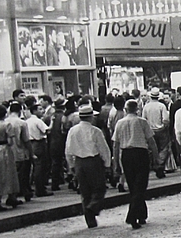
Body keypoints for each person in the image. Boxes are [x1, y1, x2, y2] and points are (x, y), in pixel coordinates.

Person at [112, 100, 159, 229]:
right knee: (141, 185)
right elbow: (151, 141)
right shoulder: (142, 122)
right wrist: (156, 157)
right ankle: (133, 215)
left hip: (126, 154)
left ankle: (141, 214)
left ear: (126, 110)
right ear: (137, 109)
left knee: (133, 186)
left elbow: (115, 144)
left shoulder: (120, 123)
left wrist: (115, 162)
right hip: (140, 153)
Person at [65, 104, 112, 228]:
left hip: (79, 161)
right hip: (93, 161)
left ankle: (89, 218)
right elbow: (104, 149)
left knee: (85, 191)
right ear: (91, 117)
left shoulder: (73, 131)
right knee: (99, 187)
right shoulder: (95, 131)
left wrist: (71, 165)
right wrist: (107, 164)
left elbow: (68, 150)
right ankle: (93, 207)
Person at [6, 102, 33, 202]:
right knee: (23, 174)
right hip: (20, 150)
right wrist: (31, 153)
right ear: (20, 110)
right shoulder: (22, 123)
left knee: (11, 174)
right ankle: (24, 191)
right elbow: (26, 140)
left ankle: (12, 194)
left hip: (7, 151)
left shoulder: (4, 121)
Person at [25, 100, 53, 197]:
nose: (42, 111)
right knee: (40, 167)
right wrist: (52, 122)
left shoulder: (27, 121)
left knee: (36, 166)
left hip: (31, 143)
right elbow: (47, 130)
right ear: (34, 111)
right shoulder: (37, 121)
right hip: (39, 143)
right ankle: (40, 189)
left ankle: (38, 187)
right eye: (40, 109)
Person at [142, 88, 170, 179]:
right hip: (161, 130)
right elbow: (166, 119)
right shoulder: (161, 106)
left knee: (152, 149)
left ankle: (154, 165)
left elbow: (144, 119)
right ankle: (160, 166)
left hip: (150, 131)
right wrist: (163, 127)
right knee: (163, 148)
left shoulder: (146, 107)